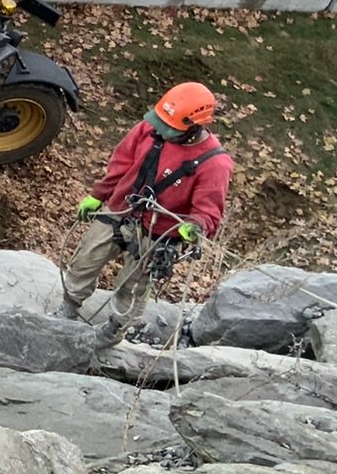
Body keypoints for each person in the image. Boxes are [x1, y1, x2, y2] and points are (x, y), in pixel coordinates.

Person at [60, 82, 233, 348]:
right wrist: (99, 194)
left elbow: (208, 211)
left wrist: (194, 226)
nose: (161, 131)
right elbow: (121, 163)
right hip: (121, 209)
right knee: (86, 258)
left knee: (134, 288)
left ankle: (114, 330)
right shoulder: (150, 129)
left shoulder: (214, 163)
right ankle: (69, 306)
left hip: (157, 232)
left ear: (195, 125)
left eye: (170, 128)